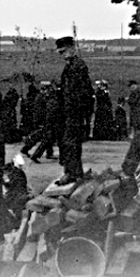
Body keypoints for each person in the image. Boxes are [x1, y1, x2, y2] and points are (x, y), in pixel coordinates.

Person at [56, 36, 94, 185]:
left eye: (64, 51)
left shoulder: (77, 66)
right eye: (60, 53)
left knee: (70, 142)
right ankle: (73, 172)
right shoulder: (71, 66)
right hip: (69, 110)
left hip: (75, 110)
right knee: (70, 142)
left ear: (72, 48)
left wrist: (82, 111)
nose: (63, 55)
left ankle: (72, 173)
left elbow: (83, 91)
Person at [3, 154, 30, 229]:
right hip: (19, 194)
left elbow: (11, 186)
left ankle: (15, 223)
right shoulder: (19, 172)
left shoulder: (12, 173)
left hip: (16, 196)